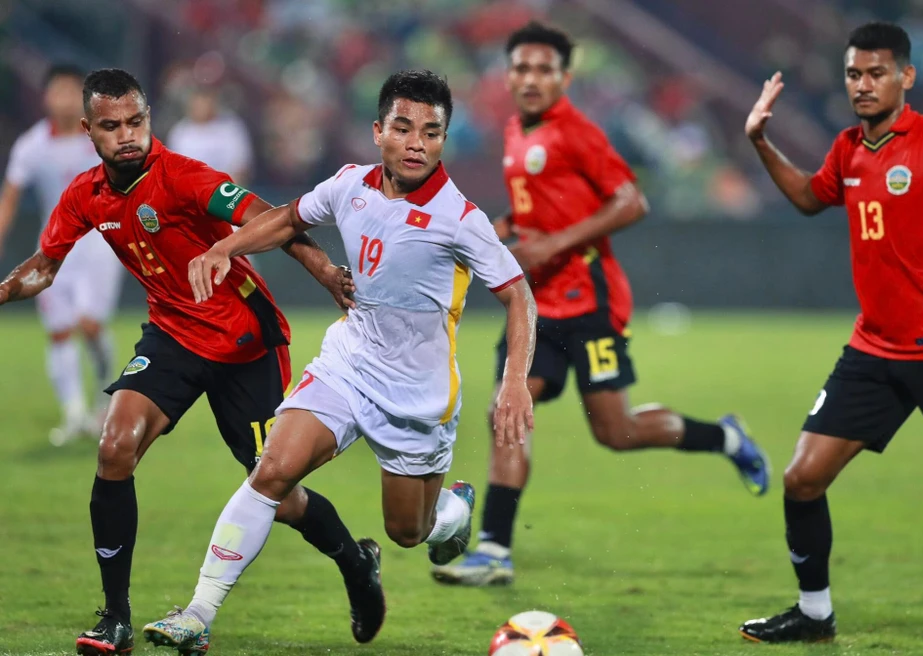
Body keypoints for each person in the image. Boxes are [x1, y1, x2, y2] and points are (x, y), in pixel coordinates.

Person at [141, 68, 536, 652]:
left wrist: (514, 383)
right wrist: (224, 246)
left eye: (431, 132)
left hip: (417, 395)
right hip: (348, 364)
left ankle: (451, 513)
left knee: (407, 531)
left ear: (443, 141)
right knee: (272, 469)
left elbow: (519, 296)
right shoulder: (349, 184)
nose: (416, 144)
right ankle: (199, 612)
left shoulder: (461, 218)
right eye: (404, 128)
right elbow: (286, 218)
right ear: (378, 132)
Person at [0, 68, 376, 656]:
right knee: (114, 447)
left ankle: (354, 560)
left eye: (136, 122)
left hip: (243, 345)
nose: (127, 135)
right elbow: (45, 268)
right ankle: (115, 618)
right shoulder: (85, 195)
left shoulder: (183, 177)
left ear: (149, 118)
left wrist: (326, 271)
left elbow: (267, 217)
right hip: (172, 336)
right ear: (87, 131)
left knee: (274, 489)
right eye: (111, 126)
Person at [431, 21, 770, 588]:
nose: (531, 78)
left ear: (564, 77)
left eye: (543, 69)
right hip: (537, 307)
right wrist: (508, 227)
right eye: (521, 68)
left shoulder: (577, 132)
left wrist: (552, 244)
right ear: (508, 75)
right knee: (505, 412)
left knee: (617, 433)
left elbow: (631, 201)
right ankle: (494, 549)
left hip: (589, 301)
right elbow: (539, 209)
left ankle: (726, 437)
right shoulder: (515, 130)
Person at [738, 22, 923, 643]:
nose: (862, 84)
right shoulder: (849, 147)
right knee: (802, 479)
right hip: (873, 348)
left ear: (906, 77)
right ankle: (815, 615)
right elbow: (809, 197)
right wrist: (760, 142)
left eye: (876, 72)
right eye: (854, 73)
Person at [0, 64, 124, 444]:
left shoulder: (104, 137)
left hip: (100, 243)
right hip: (53, 246)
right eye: (59, 91)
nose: (65, 99)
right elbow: (10, 198)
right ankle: (73, 414)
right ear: (47, 97)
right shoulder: (32, 145)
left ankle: (106, 397)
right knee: (59, 332)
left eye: (73, 91)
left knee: (89, 324)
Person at [166, 86, 253, 186]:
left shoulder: (231, 127)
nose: (202, 108)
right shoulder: (180, 132)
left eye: (205, 103)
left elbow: (240, 168)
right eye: (198, 104)